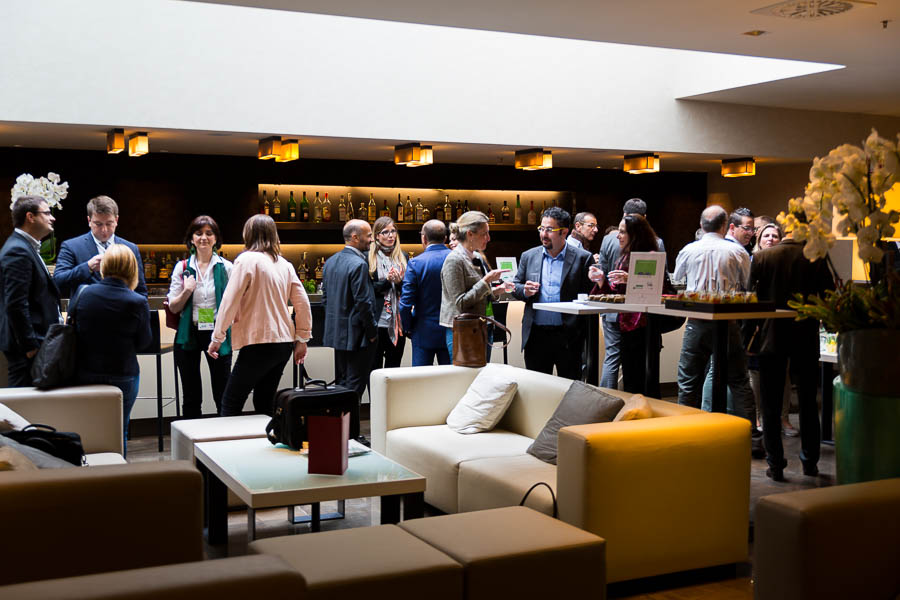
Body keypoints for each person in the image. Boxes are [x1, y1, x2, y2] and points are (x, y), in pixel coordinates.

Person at [750, 212, 834, 481]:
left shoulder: (763, 257)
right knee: (809, 402)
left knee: (771, 405)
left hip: (770, 337)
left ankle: (776, 464)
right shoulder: (815, 257)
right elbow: (828, 296)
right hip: (805, 336)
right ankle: (810, 462)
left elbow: (751, 299)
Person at [673, 206, 761, 454]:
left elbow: (677, 281)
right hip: (728, 321)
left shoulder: (689, 250)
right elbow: (746, 284)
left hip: (697, 322)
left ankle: (683, 433)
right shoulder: (736, 251)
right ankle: (750, 437)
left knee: (688, 380)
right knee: (739, 379)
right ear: (725, 226)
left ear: (702, 226)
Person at [208, 215, 311, 417]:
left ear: (248, 234)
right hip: (283, 343)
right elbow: (303, 304)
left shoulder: (246, 260)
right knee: (264, 400)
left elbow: (230, 301)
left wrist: (217, 337)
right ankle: (268, 444)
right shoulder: (284, 264)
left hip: (259, 341)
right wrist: (302, 338)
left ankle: (227, 447)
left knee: (231, 400)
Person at [71, 245, 152, 454]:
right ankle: (116, 479)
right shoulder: (137, 301)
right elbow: (144, 343)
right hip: (123, 373)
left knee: (87, 428)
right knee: (119, 429)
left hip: (86, 372)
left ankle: (88, 476)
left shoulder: (83, 293)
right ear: (132, 268)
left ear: (104, 267)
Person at [512, 206, 596, 380]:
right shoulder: (529, 256)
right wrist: (524, 291)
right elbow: (516, 286)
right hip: (536, 336)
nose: (544, 234)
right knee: (538, 389)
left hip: (568, 337)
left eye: (549, 230)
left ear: (564, 232)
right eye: (541, 229)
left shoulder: (582, 258)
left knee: (570, 391)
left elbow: (590, 295)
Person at [590, 214, 667, 394]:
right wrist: (601, 280)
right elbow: (617, 293)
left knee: (644, 380)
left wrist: (630, 279)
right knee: (631, 378)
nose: (618, 236)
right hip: (626, 325)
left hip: (644, 326)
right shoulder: (622, 257)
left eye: (623, 232)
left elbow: (655, 289)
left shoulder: (650, 257)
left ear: (636, 234)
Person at [167, 216, 234, 418]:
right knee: (191, 394)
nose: (203, 237)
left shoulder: (227, 267)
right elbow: (173, 306)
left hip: (217, 333)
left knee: (222, 391)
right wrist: (187, 290)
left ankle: (224, 441)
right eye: (198, 233)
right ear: (191, 238)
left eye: (208, 233)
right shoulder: (182, 267)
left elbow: (235, 304)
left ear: (216, 239)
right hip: (188, 333)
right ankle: (191, 443)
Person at [322, 219, 378, 441]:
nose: (371, 239)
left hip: (337, 333)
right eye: (368, 235)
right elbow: (364, 303)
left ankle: (340, 432)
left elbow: (326, 298)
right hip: (359, 336)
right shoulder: (359, 264)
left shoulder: (331, 261)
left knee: (342, 384)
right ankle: (350, 436)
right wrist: (372, 332)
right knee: (354, 387)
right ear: (355, 237)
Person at [0, 196, 62, 386]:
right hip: (28, 349)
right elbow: (16, 304)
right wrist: (31, 347)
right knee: (24, 409)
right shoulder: (17, 250)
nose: (53, 218)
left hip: (36, 344)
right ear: (30, 217)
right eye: (47, 213)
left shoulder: (27, 246)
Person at [440, 211, 506, 360]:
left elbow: (479, 294)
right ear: (470, 234)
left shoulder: (477, 257)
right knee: (466, 380)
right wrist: (485, 282)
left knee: (482, 377)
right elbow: (460, 302)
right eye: (484, 234)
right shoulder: (454, 260)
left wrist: (495, 292)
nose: (488, 239)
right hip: (463, 331)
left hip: (483, 326)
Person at [54, 195, 147, 297]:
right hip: (87, 311)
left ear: (116, 220)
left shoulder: (131, 248)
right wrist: (88, 267)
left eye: (109, 223)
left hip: (122, 311)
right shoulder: (71, 246)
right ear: (89, 221)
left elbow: (141, 290)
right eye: (98, 224)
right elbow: (58, 281)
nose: (104, 230)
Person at [399, 220, 452, 366]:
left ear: (424, 238)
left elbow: (405, 304)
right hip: (452, 330)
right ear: (445, 238)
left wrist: (408, 327)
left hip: (423, 331)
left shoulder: (416, 263)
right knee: (451, 380)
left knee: (421, 381)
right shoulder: (458, 259)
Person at [369, 217, 408, 371]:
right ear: (377, 235)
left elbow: (410, 290)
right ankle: (375, 397)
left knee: (394, 369)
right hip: (377, 322)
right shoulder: (368, 256)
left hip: (398, 323)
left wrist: (399, 283)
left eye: (393, 231)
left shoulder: (402, 256)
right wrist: (387, 281)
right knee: (374, 370)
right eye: (385, 232)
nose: (390, 235)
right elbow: (367, 289)